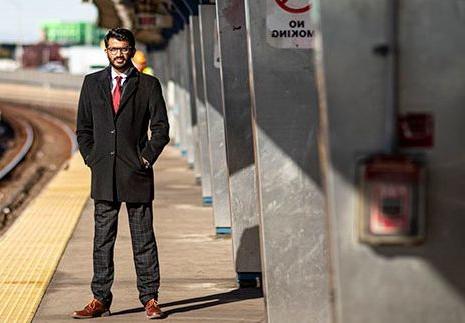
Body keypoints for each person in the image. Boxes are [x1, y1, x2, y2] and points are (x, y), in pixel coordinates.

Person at [73, 28, 169, 319]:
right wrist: (92, 159)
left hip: (136, 173)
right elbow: (83, 129)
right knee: (102, 239)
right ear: (106, 51)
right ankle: (100, 299)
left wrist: (146, 158)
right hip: (103, 174)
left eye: (124, 49)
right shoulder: (91, 84)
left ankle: (150, 299)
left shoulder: (148, 85)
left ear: (132, 50)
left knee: (143, 238)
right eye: (113, 49)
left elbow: (161, 129)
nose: (119, 54)